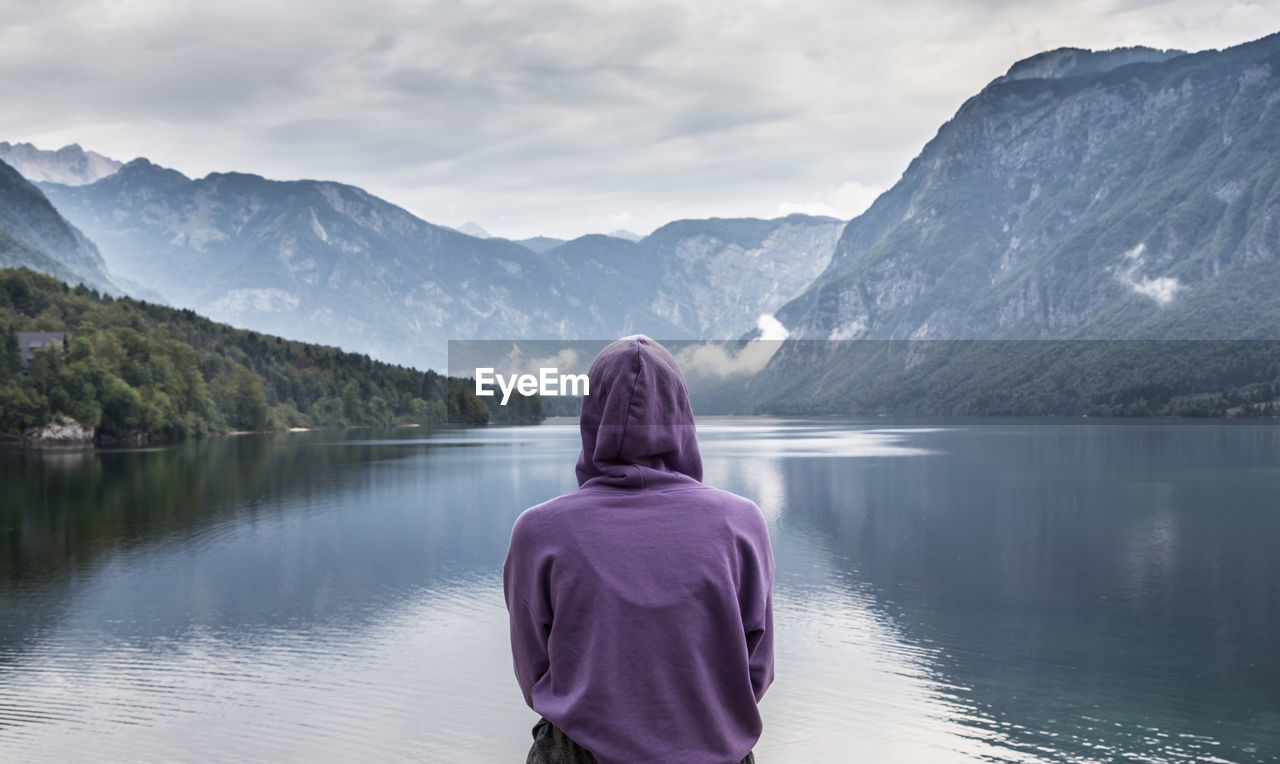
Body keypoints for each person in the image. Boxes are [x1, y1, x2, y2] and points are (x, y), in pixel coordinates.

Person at [503, 335, 775, 764]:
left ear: (591, 415)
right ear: (681, 414)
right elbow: (756, 669)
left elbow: (533, 672)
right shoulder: (741, 523)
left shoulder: (539, 531)